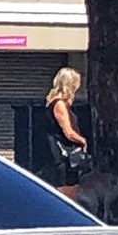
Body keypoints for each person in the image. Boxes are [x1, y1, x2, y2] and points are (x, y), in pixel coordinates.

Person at [44, 67, 90, 198]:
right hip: (64, 153)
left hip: (62, 152)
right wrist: (83, 141)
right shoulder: (59, 104)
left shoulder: (54, 102)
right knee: (69, 185)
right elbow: (68, 131)